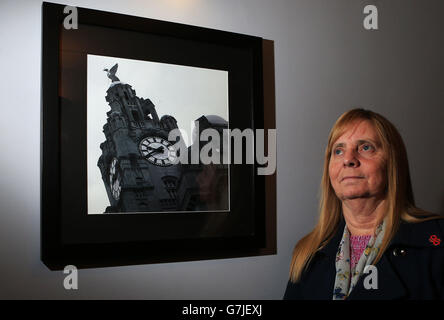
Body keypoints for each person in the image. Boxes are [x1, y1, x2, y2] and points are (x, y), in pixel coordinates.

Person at [283, 108, 444, 300]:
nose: (348, 159)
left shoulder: (437, 244)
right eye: (339, 150)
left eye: (365, 147)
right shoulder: (307, 252)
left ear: (392, 162)